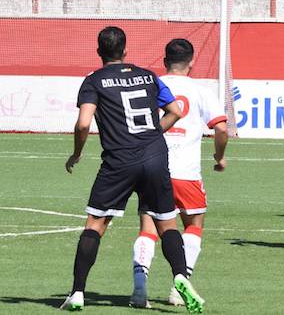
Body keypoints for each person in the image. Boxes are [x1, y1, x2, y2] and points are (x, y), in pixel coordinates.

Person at [60, 27, 205, 314]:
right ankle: (179, 275)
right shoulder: (149, 76)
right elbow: (175, 110)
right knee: (167, 224)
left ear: (99, 51)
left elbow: (82, 123)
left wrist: (77, 153)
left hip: (119, 160)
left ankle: (77, 292)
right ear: (126, 50)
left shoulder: (94, 81)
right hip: (155, 155)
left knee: (95, 224)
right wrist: (152, 134)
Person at [130, 38, 228, 308]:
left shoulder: (150, 84)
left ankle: (139, 288)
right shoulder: (201, 91)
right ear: (192, 61)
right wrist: (219, 157)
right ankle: (179, 286)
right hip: (186, 171)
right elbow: (220, 129)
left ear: (165, 61)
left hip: (151, 167)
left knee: (148, 228)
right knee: (193, 225)